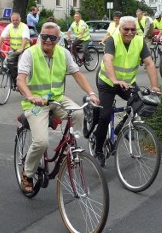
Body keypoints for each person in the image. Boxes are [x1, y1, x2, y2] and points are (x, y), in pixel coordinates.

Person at [16, 22, 100, 193]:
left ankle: (69, 149)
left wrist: (91, 93)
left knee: (78, 112)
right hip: (36, 104)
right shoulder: (29, 54)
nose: (47, 40)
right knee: (41, 142)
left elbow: (77, 75)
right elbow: (20, 80)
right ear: (39, 36)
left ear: (58, 39)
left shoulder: (64, 53)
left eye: (52, 37)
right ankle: (28, 173)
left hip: (57, 99)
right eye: (44, 36)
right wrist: (31, 96)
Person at [91, 16, 160, 167]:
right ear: (120, 29)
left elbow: (149, 63)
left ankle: (124, 129)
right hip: (108, 82)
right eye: (126, 29)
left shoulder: (139, 42)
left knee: (140, 103)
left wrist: (155, 87)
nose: (130, 32)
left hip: (127, 83)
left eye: (133, 29)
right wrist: (115, 80)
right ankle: (98, 150)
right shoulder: (113, 40)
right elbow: (108, 60)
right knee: (105, 116)